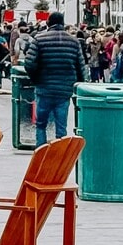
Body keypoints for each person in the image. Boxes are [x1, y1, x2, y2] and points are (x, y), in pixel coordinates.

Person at [23, 12, 85, 147]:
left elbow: (29, 63)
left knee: (41, 124)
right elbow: (80, 66)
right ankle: (59, 152)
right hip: (64, 90)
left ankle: (40, 149)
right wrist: (79, 84)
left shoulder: (39, 39)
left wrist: (35, 78)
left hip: (44, 88)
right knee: (61, 125)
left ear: (48, 23)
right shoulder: (73, 41)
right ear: (63, 23)